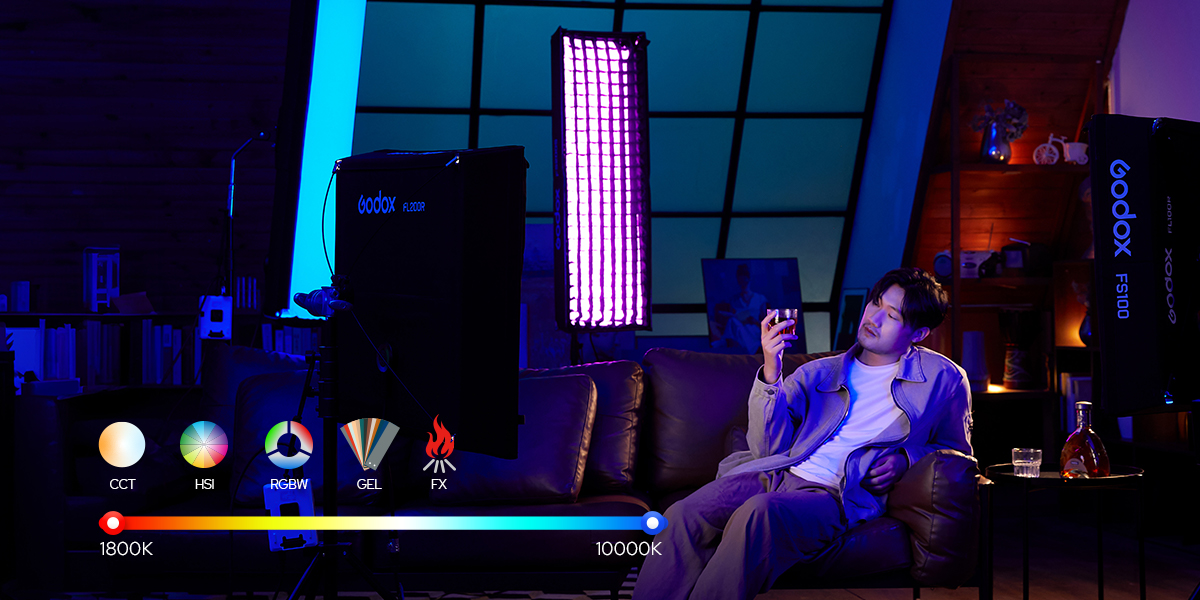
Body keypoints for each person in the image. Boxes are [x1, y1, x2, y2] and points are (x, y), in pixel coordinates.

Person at [634, 267, 972, 600]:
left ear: (919, 333)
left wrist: (906, 459)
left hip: (835, 495)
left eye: (893, 315)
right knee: (681, 514)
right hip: (777, 473)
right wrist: (771, 369)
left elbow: (958, 452)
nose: (874, 318)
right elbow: (767, 448)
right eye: (876, 303)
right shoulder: (818, 373)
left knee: (758, 514)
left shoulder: (943, 379)